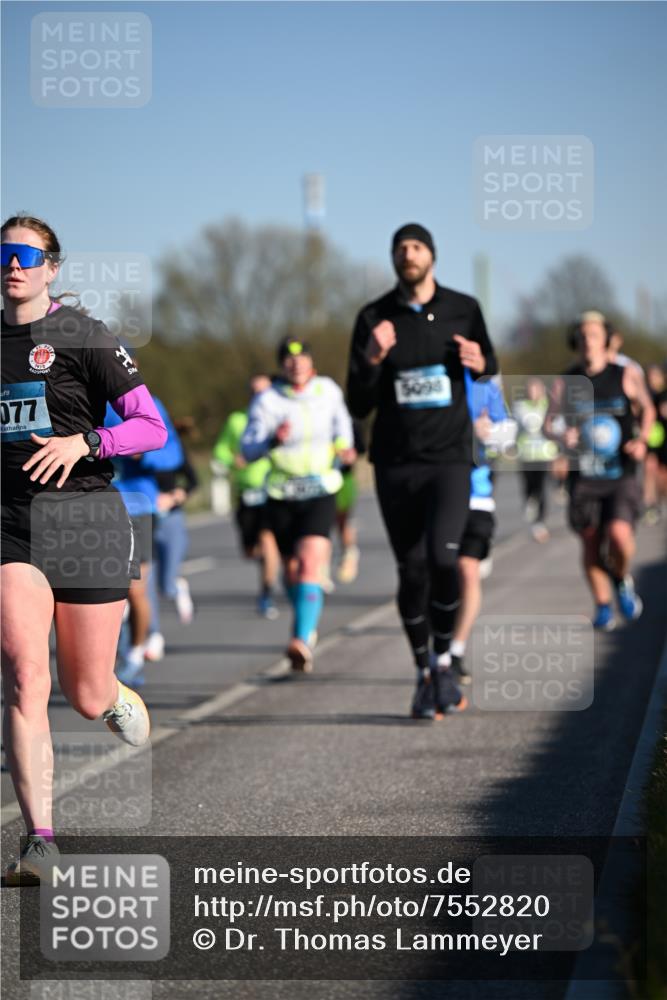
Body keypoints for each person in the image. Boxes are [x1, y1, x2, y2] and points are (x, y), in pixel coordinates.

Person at [1, 215, 167, 883]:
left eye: (26, 255)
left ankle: (114, 696)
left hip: (86, 518)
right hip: (9, 524)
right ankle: (40, 840)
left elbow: (149, 426)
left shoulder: (83, 336)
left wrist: (86, 443)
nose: (13, 265)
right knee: (22, 676)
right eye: (3, 254)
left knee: (86, 694)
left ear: (51, 267)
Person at [346, 223, 498, 719]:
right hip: (395, 462)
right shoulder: (374, 317)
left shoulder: (464, 308)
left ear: (431, 255)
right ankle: (423, 671)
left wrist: (479, 361)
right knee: (411, 571)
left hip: (450, 458)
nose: (408, 254)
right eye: (400, 248)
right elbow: (358, 402)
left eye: (416, 247)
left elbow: (488, 364)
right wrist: (371, 360)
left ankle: (444, 658)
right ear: (393, 259)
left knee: (443, 559)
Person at [241, 338, 355, 671]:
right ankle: (305, 621)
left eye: (302, 357)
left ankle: (301, 639)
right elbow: (248, 449)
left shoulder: (328, 391)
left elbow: (342, 425)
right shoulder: (268, 400)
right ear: (282, 366)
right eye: (288, 360)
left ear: (310, 361)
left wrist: (345, 447)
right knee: (291, 572)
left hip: (321, 489)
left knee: (309, 563)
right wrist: (272, 439)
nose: (296, 364)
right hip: (282, 494)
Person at [547, 311, 655, 630]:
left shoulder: (624, 374)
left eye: (593, 335)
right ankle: (603, 604)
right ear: (575, 344)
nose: (587, 341)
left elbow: (647, 408)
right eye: (581, 336)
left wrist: (643, 439)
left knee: (620, 536)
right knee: (591, 542)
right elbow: (548, 423)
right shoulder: (566, 381)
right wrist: (559, 435)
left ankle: (621, 579)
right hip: (584, 476)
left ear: (606, 340)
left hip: (620, 472)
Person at [450, 373, 515, 685]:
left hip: (476, 497)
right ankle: (439, 647)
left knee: (467, 571)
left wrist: (487, 433)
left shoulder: (485, 382)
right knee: (438, 574)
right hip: (436, 497)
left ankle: (455, 651)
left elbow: (507, 436)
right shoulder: (430, 371)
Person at [213, 375, 280, 619]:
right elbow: (220, 449)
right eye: (254, 391)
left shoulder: (279, 417)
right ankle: (268, 564)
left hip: (272, 491)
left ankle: (267, 592)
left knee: (269, 543)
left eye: (263, 391)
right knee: (250, 551)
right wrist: (233, 460)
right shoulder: (237, 420)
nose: (258, 396)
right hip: (246, 492)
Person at [512, 377, 558, 543]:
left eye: (536, 389)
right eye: (530, 389)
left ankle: (539, 524)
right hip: (526, 454)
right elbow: (514, 429)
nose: (533, 392)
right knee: (528, 487)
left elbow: (556, 426)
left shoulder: (548, 405)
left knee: (541, 488)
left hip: (544, 454)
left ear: (541, 390)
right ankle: (529, 503)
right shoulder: (520, 407)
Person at [333, 419, 366, 584]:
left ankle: (349, 553)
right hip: (316, 477)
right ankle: (318, 569)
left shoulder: (347, 420)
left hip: (342, 478)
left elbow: (360, 448)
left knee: (341, 519)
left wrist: (348, 454)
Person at [643, 364, 667, 523]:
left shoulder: (664, 394)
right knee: (649, 469)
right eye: (650, 376)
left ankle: (661, 501)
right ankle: (651, 505)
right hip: (651, 438)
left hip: (665, 438)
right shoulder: (644, 394)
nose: (653, 379)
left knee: (662, 474)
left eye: (656, 376)